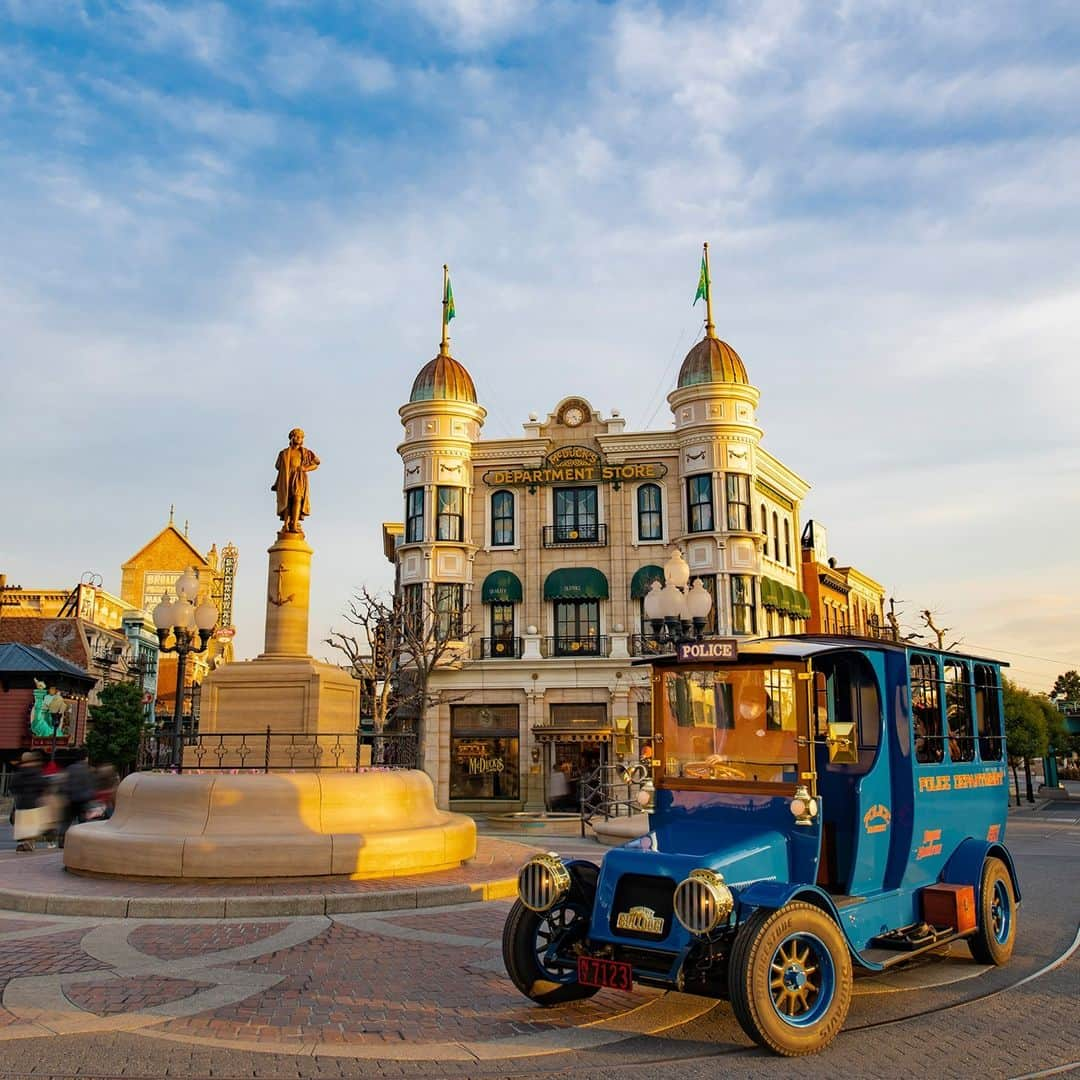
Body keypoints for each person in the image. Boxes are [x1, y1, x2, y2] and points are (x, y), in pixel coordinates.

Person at [272, 428, 320, 534]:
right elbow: (278, 468)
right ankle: (286, 524)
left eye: (301, 437)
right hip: (287, 478)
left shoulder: (306, 452)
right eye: (297, 436)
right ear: (292, 437)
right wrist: (276, 483)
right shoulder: (284, 453)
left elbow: (316, 463)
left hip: (299, 477)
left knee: (297, 498)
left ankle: (294, 524)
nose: (299, 438)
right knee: (287, 501)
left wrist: (305, 468)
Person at [58, 748, 95, 848]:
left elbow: (63, 784)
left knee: (66, 821)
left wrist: (64, 794)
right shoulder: (87, 770)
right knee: (82, 822)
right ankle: (81, 841)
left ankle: (62, 839)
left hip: (70, 799)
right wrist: (90, 796)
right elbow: (90, 786)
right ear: (85, 758)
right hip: (83, 800)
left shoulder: (69, 769)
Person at [11, 751, 46, 852]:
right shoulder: (37, 771)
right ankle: (29, 843)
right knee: (32, 826)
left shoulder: (19, 773)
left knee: (23, 826)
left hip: (21, 804)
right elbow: (43, 785)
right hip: (34, 804)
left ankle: (24, 843)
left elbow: (13, 787)